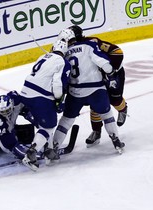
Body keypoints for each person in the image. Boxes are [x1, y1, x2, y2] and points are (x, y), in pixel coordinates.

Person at [53, 29, 125, 159]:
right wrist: (111, 74)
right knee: (106, 115)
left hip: (75, 93)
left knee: (66, 120)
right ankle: (116, 140)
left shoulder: (62, 54)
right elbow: (104, 63)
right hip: (95, 89)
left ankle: (54, 146)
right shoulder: (88, 45)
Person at [66, 25, 128, 147]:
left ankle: (123, 109)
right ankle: (96, 131)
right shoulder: (69, 48)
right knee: (96, 104)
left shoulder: (92, 42)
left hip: (113, 73)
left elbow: (117, 52)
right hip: (96, 79)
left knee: (115, 99)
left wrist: (111, 72)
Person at [20, 40, 71, 171]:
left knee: (45, 123)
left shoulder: (42, 56)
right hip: (40, 95)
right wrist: (59, 100)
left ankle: (48, 151)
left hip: (25, 92)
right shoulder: (63, 62)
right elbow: (58, 84)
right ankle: (31, 153)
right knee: (49, 126)